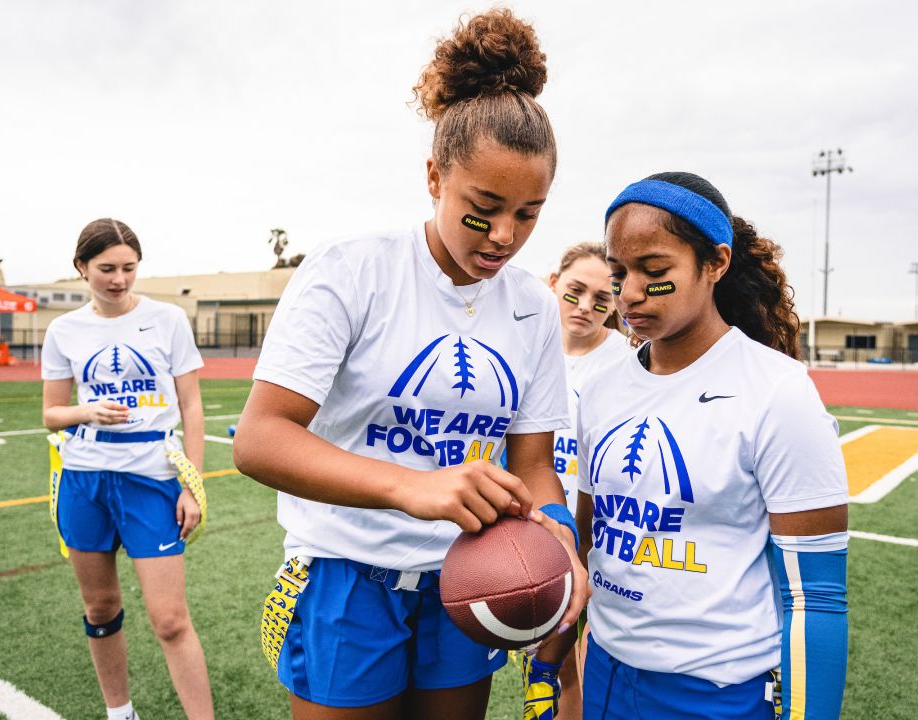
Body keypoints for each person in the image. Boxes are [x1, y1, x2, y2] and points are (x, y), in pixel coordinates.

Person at [232, 9, 587, 720]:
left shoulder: (531, 304)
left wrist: (557, 533)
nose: (505, 237)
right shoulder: (351, 270)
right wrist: (410, 487)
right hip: (345, 570)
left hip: (472, 572)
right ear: (433, 176)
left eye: (530, 213)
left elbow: (534, 462)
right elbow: (259, 439)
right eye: (484, 208)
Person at [563, 172, 850, 719]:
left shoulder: (777, 392)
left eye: (655, 271)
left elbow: (817, 598)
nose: (629, 294)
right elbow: (585, 540)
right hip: (602, 671)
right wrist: (563, 664)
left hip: (715, 694)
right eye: (619, 272)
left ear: (715, 263)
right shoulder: (601, 389)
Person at [41, 218, 214, 720]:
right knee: (100, 608)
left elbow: (193, 408)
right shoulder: (64, 330)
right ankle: (120, 713)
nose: (119, 279)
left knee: (170, 619)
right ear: (81, 268)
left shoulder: (168, 319)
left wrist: (191, 484)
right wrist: (85, 411)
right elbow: (51, 413)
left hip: (152, 478)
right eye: (106, 269)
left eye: (129, 268)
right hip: (84, 478)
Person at [528, 242, 635, 719]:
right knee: (548, 667)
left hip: (603, 540)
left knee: (592, 665)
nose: (586, 307)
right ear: (553, 282)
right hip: (539, 536)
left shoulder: (629, 360)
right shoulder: (528, 346)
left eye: (602, 297)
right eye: (574, 292)